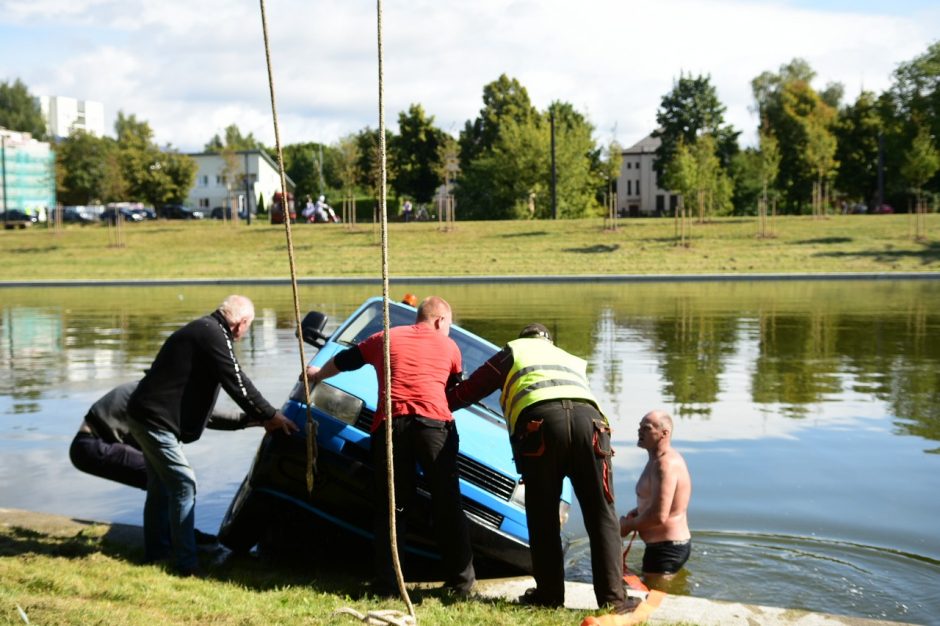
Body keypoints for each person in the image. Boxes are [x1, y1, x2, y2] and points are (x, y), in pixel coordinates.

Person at [448, 323, 636, 614]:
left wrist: (439, 403)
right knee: (602, 514)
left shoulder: (513, 351)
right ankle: (615, 600)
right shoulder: (568, 358)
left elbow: (470, 391)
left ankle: (548, 596)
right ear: (548, 340)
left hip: (542, 427)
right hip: (592, 426)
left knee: (543, 517)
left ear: (525, 338)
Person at [305, 296, 475, 597]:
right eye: (448, 325)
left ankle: (389, 583)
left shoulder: (385, 337)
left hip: (392, 426)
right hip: (434, 427)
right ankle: (461, 584)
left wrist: (317, 375)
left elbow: (345, 361)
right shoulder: (450, 348)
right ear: (440, 320)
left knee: (393, 506)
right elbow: (452, 392)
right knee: (448, 504)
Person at [127, 295, 297, 576]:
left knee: (160, 488)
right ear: (241, 323)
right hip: (153, 420)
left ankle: (157, 552)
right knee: (184, 483)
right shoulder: (214, 334)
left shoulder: (205, 330)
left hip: (143, 415)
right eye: (248, 327)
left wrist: (254, 419)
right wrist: (271, 415)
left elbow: (210, 404)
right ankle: (185, 564)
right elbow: (238, 381)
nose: (245, 334)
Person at [70, 381, 255, 492]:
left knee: (165, 476)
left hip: (90, 445)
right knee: (171, 477)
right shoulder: (152, 392)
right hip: (92, 445)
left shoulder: (151, 387)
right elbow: (210, 416)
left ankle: (169, 533)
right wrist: (255, 419)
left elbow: (202, 415)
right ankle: (175, 535)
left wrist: (254, 420)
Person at [619, 410, 692, 583]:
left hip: (667, 548)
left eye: (646, 428)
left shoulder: (665, 464)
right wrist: (638, 511)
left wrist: (628, 526)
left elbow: (659, 515)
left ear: (664, 433)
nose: (640, 431)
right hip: (664, 546)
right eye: (640, 427)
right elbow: (659, 502)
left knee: (654, 604)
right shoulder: (656, 460)